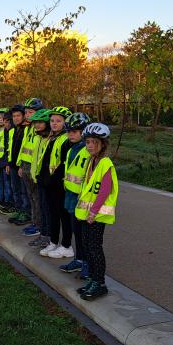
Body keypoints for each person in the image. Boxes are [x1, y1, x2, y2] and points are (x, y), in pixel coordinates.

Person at [75, 123, 119, 300]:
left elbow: (105, 190)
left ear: (103, 144)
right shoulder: (90, 161)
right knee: (87, 246)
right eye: (87, 142)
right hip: (87, 214)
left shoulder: (105, 163)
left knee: (94, 248)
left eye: (94, 142)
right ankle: (92, 279)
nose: (90, 145)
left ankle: (99, 283)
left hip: (97, 214)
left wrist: (93, 212)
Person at [58, 112, 92, 279]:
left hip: (82, 199)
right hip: (71, 197)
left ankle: (87, 264)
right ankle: (79, 259)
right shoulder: (72, 149)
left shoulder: (87, 152)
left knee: (84, 234)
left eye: (75, 131)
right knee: (76, 232)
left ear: (84, 132)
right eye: (69, 131)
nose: (70, 134)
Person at [37, 106, 74, 258]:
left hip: (59, 184)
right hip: (48, 182)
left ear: (66, 123)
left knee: (63, 215)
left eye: (58, 121)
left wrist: (53, 179)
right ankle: (53, 242)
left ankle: (66, 245)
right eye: (52, 120)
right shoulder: (52, 138)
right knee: (53, 214)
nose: (54, 123)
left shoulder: (66, 140)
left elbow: (64, 164)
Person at [16, 98, 45, 235]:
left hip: (35, 169)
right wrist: (20, 165)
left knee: (37, 198)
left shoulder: (39, 131)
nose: (27, 115)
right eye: (26, 112)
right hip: (25, 166)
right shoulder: (28, 129)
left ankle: (39, 225)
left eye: (31, 112)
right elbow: (24, 148)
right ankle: (34, 222)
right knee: (31, 196)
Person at [25, 108, 51, 244]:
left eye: (41, 122)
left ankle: (48, 237)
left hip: (47, 181)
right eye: (35, 123)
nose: (37, 125)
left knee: (46, 209)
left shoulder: (49, 139)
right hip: (37, 177)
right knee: (39, 204)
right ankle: (43, 234)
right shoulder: (38, 137)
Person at [6, 104, 31, 224]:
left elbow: (25, 149)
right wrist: (8, 163)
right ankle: (19, 209)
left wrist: (22, 165)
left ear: (23, 116)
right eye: (14, 116)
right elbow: (10, 149)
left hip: (21, 166)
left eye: (18, 115)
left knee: (23, 191)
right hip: (12, 165)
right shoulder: (13, 130)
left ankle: (26, 213)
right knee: (15, 189)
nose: (16, 118)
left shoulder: (27, 130)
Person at [0, 111, 15, 212]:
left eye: (8, 122)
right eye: (5, 121)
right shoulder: (5, 131)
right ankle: (8, 202)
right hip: (3, 161)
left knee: (11, 185)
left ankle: (11, 203)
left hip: (9, 162)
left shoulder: (12, 131)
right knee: (7, 183)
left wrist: (8, 163)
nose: (6, 124)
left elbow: (10, 149)